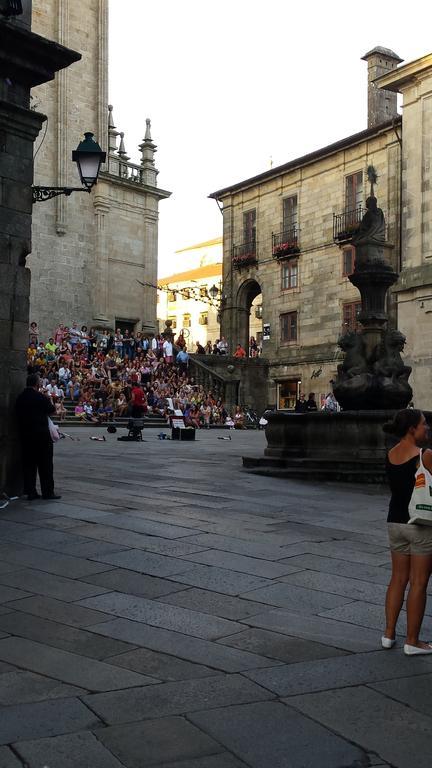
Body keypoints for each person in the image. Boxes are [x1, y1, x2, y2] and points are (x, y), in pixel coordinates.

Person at [382, 409, 432, 654]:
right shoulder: (425, 455)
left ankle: (388, 634)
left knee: (397, 579)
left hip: (395, 523)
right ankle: (413, 641)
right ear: (412, 429)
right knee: (419, 583)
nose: (427, 429)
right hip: (419, 524)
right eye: (424, 425)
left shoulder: (391, 453)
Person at [15, 373, 61, 501]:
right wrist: (48, 397)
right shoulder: (40, 397)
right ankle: (47, 492)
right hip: (41, 436)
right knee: (45, 465)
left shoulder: (20, 397)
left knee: (29, 465)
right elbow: (52, 410)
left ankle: (31, 492)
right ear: (37, 384)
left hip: (25, 436)